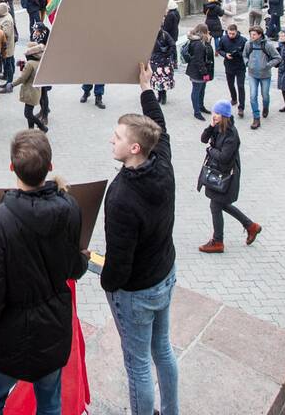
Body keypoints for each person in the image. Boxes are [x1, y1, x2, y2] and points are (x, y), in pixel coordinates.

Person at [0, 130, 88, 415]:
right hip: (51, 330)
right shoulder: (70, 208)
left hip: (6, 337)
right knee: (50, 403)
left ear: (12, 167)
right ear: (50, 167)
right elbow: (74, 267)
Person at [101, 62, 178, 415]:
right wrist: (146, 88)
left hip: (137, 292)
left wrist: (107, 284)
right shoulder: (162, 160)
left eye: (117, 138)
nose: (111, 141)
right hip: (165, 273)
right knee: (162, 349)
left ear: (134, 149)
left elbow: (120, 261)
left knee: (138, 366)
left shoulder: (121, 197)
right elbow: (158, 127)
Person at [197, 101, 261, 253]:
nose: (214, 116)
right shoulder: (217, 128)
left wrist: (210, 150)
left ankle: (218, 242)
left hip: (226, 176)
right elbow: (203, 139)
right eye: (214, 113)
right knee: (221, 204)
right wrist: (211, 126)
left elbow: (224, 157)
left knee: (216, 205)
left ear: (224, 116)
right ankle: (251, 226)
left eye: (217, 114)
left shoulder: (231, 134)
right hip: (218, 174)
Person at [242, 25, 281, 129]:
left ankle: (265, 107)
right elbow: (244, 55)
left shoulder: (268, 45)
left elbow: (277, 58)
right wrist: (247, 63)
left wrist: (267, 65)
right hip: (252, 74)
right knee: (253, 96)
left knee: (265, 95)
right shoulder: (248, 44)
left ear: (260, 35)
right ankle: (256, 117)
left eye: (254, 34)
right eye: (251, 34)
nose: (252, 36)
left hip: (265, 75)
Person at [11, 42, 48, 131]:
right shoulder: (40, 62)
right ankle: (30, 130)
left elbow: (23, 78)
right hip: (35, 91)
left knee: (27, 114)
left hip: (29, 92)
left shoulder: (30, 64)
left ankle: (42, 127)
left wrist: (12, 84)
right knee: (29, 113)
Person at [184, 23, 214, 120]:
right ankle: (197, 111)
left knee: (201, 89)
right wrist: (204, 72)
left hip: (199, 70)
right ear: (204, 32)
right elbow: (199, 60)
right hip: (198, 71)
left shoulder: (199, 40)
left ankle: (201, 106)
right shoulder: (198, 43)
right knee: (197, 90)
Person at [216, 24, 247, 117]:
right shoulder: (224, 39)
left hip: (240, 66)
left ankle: (241, 107)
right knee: (230, 84)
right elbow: (219, 49)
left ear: (236, 32)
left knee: (241, 86)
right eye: (229, 33)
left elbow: (247, 52)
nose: (231, 35)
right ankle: (234, 98)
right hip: (229, 65)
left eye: (233, 34)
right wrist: (225, 55)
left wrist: (239, 53)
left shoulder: (243, 40)